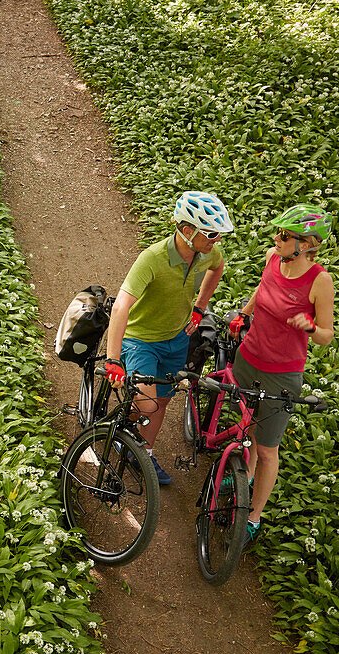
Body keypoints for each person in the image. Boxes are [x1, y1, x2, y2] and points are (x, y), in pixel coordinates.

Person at [104, 191, 232, 484]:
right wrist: (113, 359)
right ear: (188, 231)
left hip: (175, 340)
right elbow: (121, 305)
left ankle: (143, 453)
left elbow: (217, 268)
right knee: (147, 404)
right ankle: (123, 434)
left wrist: (199, 308)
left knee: (161, 401)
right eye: (211, 233)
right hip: (140, 340)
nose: (217, 240)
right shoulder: (153, 258)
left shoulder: (207, 252)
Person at [228, 204, 335, 549]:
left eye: (284, 235)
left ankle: (253, 517)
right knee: (248, 427)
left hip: (282, 374)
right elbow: (262, 291)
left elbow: (327, 335)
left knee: (268, 446)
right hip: (249, 357)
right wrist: (242, 316)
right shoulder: (274, 259)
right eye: (278, 232)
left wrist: (311, 326)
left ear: (305, 244)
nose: (277, 238)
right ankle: (244, 475)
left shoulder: (319, 281)